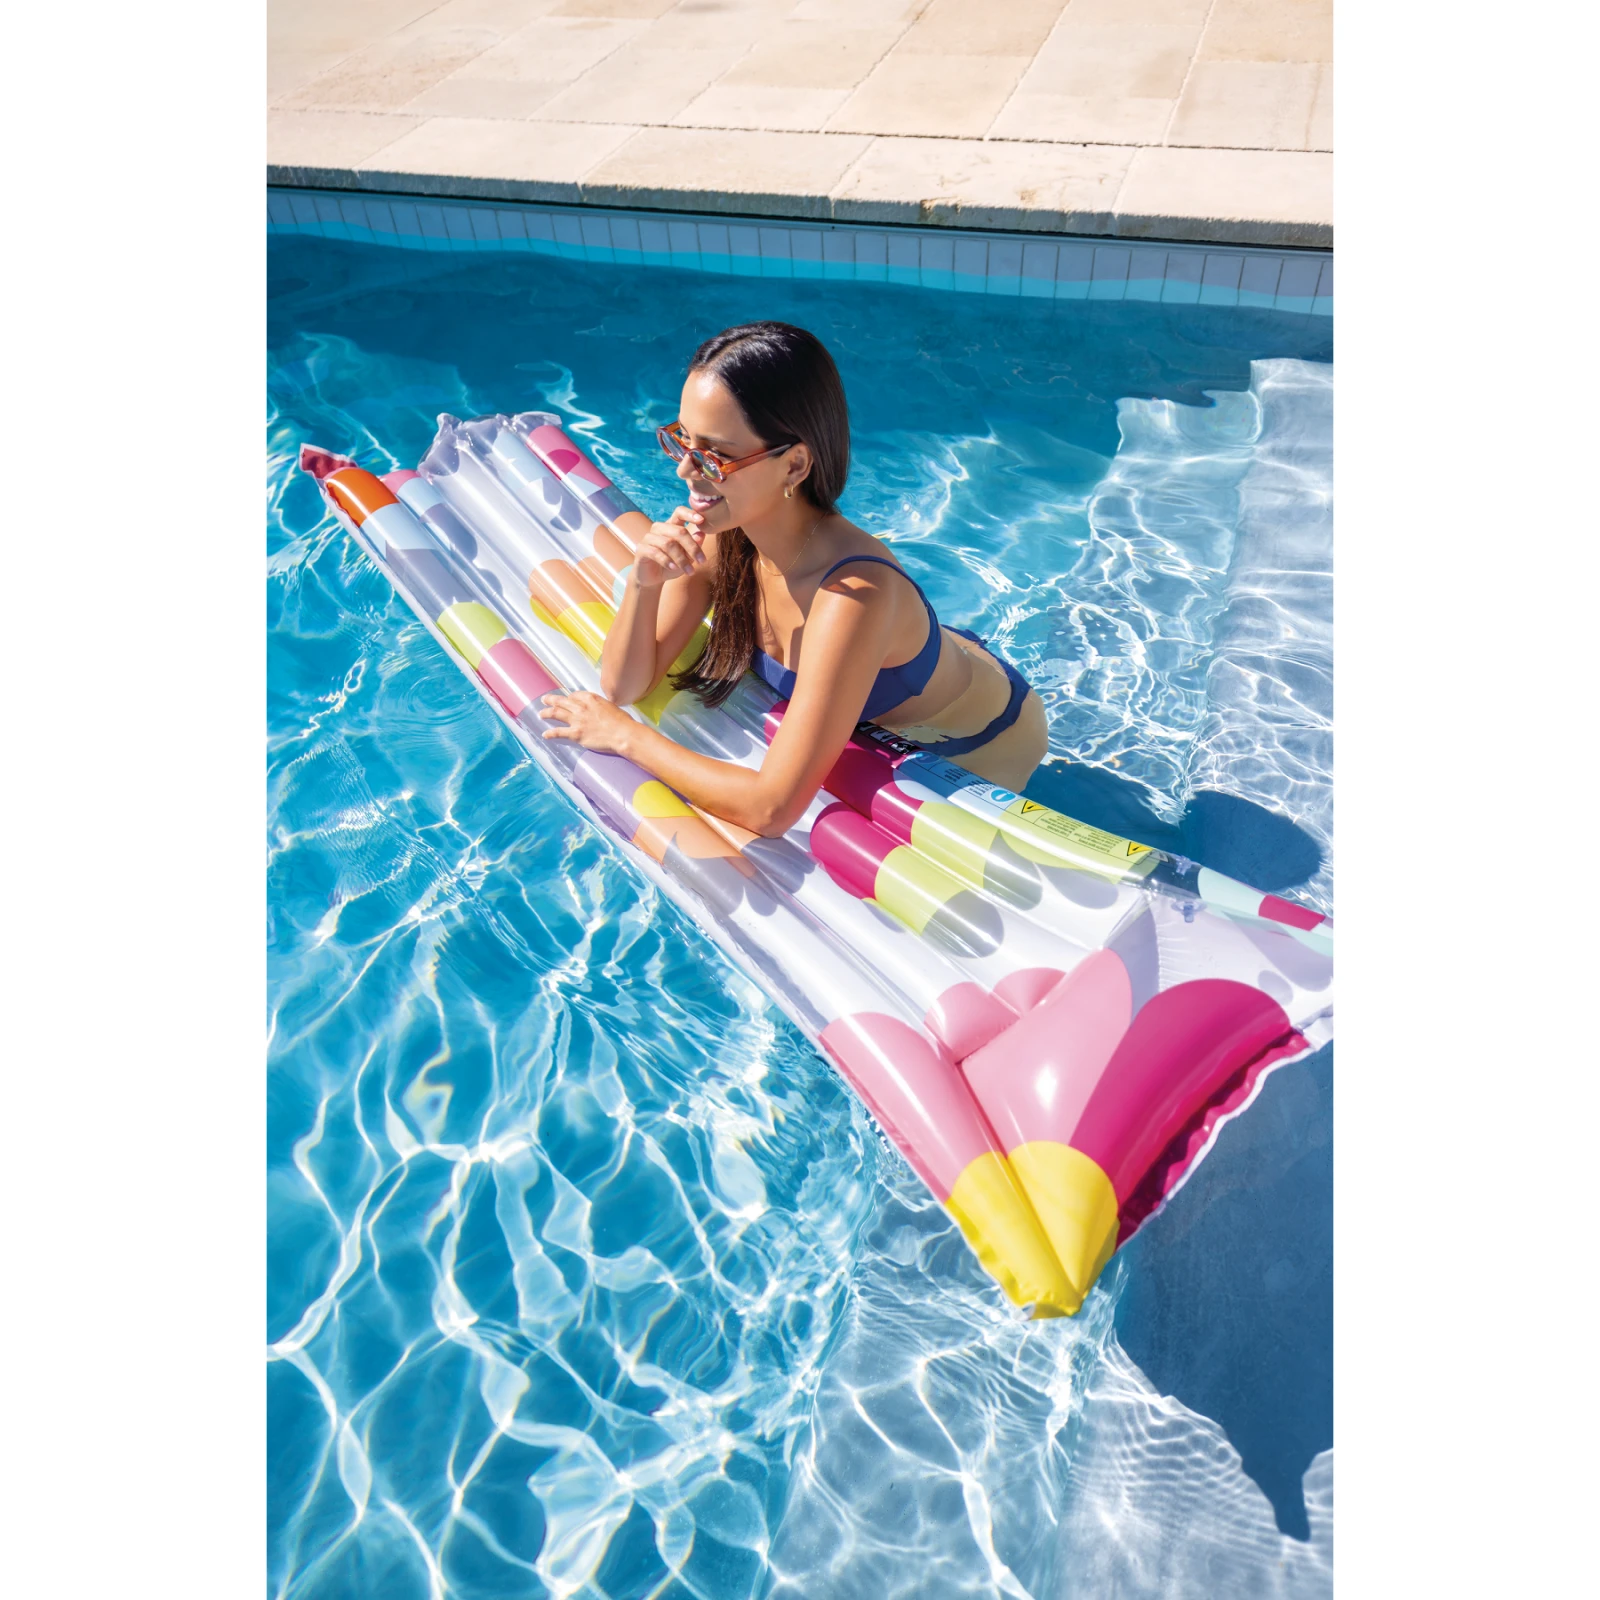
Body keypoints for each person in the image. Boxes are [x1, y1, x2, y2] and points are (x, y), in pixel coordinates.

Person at [536, 321, 1048, 837]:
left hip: (975, 739)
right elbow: (624, 686)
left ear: (795, 464)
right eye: (682, 440)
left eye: (715, 455)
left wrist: (626, 738)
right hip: (915, 661)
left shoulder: (852, 598)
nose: (685, 471)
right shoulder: (724, 535)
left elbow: (771, 810)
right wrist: (645, 585)